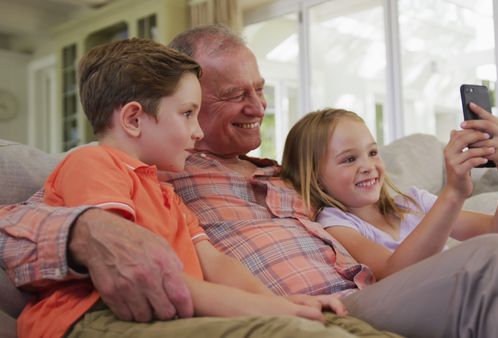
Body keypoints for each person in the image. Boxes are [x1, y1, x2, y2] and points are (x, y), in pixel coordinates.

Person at [1, 24, 498, 337]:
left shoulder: (290, 174)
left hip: (363, 287)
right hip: (332, 307)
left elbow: (377, 210)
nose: (257, 108)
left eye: (261, 91)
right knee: (497, 261)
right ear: (175, 101)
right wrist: (85, 230)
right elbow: (29, 214)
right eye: (228, 98)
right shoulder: (162, 171)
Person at [13, 38, 396, 338]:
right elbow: (143, 273)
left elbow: (215, 264)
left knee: (347, 328)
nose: (197, 131)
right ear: (133, 118)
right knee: (290, 331)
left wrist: (281, 301)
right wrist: (275, 311)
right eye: (187, 114)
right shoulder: (92, 164)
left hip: (167, 311)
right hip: (95, 318)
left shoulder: (164, 191)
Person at [280, 107, 498, 279]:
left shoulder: (412, 202)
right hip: (446, 304)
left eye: (373, 152)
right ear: (314, 176)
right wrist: (452, 193)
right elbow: (394, 273)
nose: (368, 166)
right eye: (349, 159)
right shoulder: (336, 224)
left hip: (471, 284)